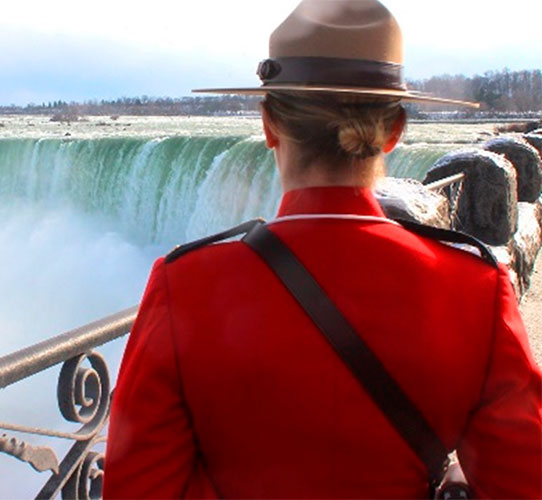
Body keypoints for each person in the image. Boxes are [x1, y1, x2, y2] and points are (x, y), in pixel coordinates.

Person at [103, 1, 542, 498]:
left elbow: (135, 489)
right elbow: (522, 484)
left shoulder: (184, 287)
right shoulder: (476, 290)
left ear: (269, 127)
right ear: (395, 131)